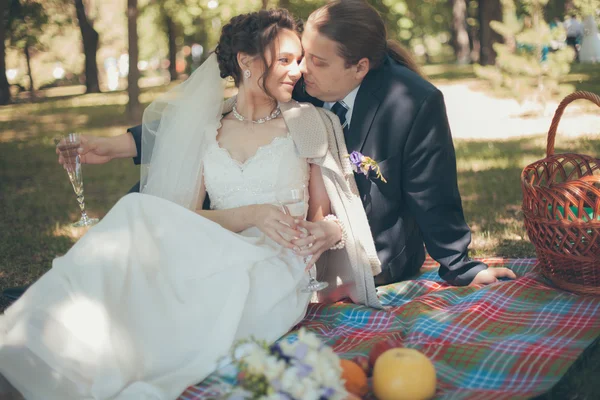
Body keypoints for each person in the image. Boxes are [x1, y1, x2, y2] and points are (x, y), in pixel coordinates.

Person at [0, 9, 381, 399]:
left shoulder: (308, 122)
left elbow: (328, 216)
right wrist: (251, 215)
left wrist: (324, 231)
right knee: (134, 227)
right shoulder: (209, 128)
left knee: (148, 266)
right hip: (212, 249)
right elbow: (181, 218)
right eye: (285, 60)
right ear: (247, 63)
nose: (298, 70)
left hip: (277, 269)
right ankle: (32, 346)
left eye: (298, 60)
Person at [59, 0, 513, 288]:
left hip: (369, 244)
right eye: (298, 58)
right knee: (147, 206)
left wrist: (460, 266)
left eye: (315, 61)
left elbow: (432, 192)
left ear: (359, 68)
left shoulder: (411, 102)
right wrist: (116, 146)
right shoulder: (305, 79)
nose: (300, 73)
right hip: (270, 232)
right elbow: (208, 121)